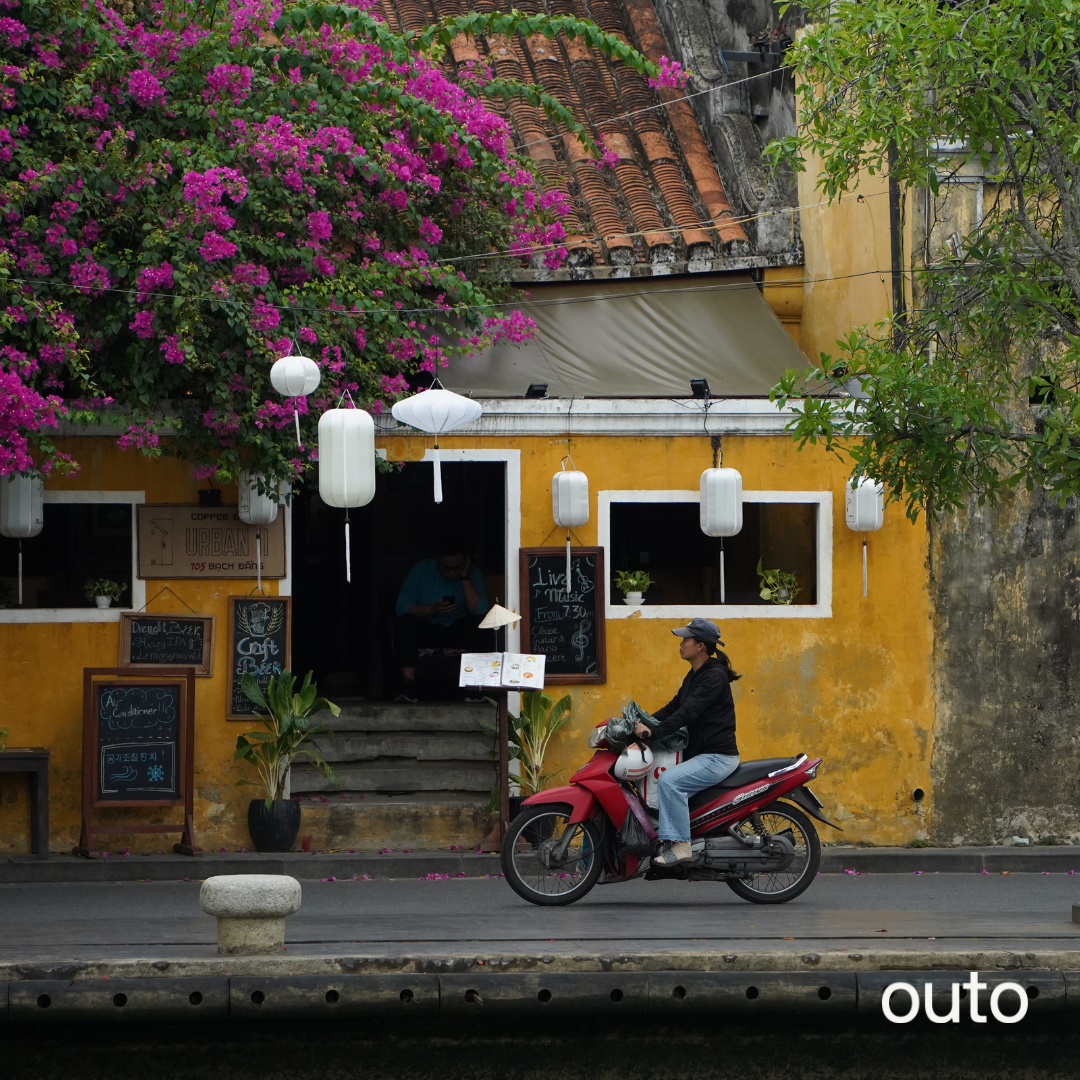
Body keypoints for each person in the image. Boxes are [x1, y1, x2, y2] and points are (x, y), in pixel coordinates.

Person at [633, 617, 740, 867]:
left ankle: (681, 845)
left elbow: (688, 712)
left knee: (670, 781)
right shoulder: (695, 675)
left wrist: (654, 732)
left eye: (685, 640)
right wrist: (642, 722)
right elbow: (673, 707)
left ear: (700, 645)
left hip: (717, 756)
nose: (681, 644)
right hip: (702, 755)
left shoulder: (714, 677)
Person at [394, 540, 490, 702]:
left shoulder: (474, 574)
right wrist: (431, 609)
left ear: (465, 562)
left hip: (457, 628)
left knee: (482, 624)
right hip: (428, 626)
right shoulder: (421, 570)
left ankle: (475, 685)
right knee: (405, 623)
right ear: (437, 561)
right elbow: (402, 607)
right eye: (446, 569)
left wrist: (465, 576)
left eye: (456, 568)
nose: (451, 573)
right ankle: (408, 684)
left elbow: (479, 610)